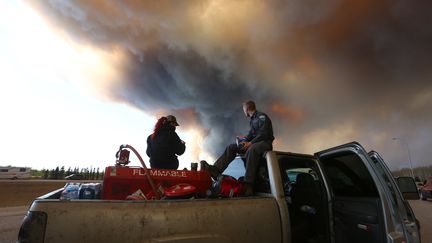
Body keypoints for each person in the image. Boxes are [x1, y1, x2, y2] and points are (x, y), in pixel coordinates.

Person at [202, 100, 274, 196]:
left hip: (265, 143)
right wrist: (244, 141)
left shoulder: (261, 117)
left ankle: (248, 184)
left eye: (244, 109)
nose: (243, 111)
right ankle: (216, 169)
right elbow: (251, 134)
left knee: (252, 150)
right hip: (254, 143)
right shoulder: (253, 120)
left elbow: (264, 134)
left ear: (247, 108)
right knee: (232, 147)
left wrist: (251, 143)